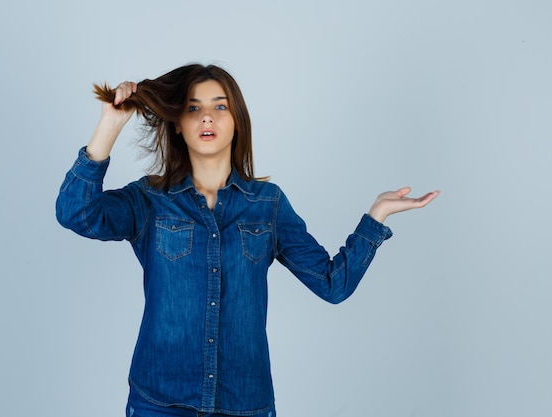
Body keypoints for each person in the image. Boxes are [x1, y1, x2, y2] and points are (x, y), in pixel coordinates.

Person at [56, 63, 439, 417]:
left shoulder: (268, 205)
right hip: (160, 401)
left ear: (237, 120)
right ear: (177, 124)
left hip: (245, 404)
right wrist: (110, 123)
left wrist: (376, 217)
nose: (207, 116)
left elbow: (332, 284)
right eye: (193, 108)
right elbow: (77, 213)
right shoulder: (149, 200)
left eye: (220, 107)